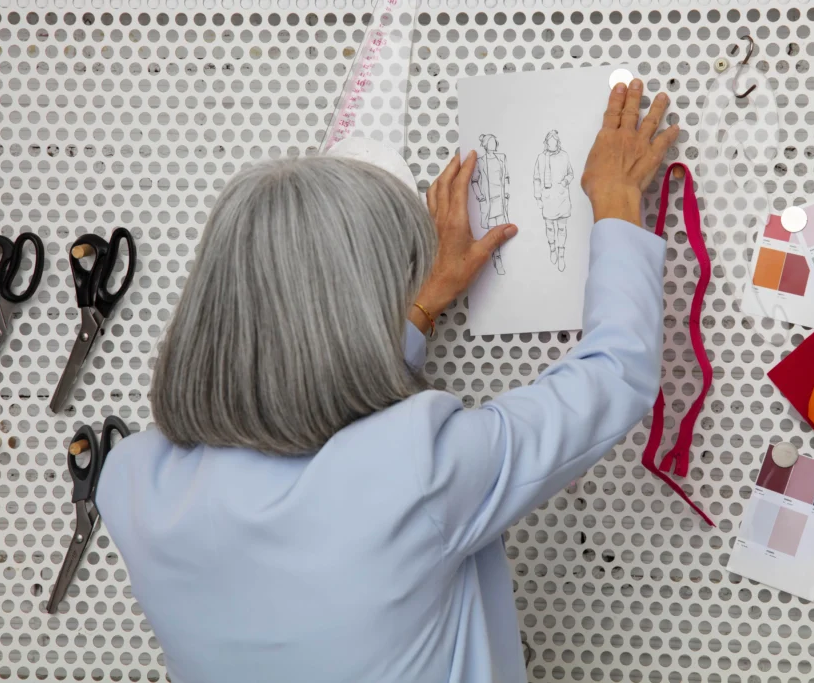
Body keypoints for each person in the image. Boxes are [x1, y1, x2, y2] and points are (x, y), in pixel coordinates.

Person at [95, 78, 679, 683]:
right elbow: (615, 374)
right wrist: (615, 204)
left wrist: (420, 309)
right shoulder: (419, 468)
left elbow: (307, 398)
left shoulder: (135, 483)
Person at [533, 129, 575, 272]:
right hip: (548, 198)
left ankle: (561, 253)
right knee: (550, 227)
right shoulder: (541, 157)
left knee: (562, 227)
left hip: (562, 198)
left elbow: (571, 174)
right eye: (550, 141)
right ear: (546, 143)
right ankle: (552, 248)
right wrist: (538, 197)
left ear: (558, 142)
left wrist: (565, 182)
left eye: (555, 141)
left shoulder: (564, 156)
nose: (552, 144)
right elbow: (536, 178)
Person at [471, 133, 510, 274]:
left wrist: (507, 192)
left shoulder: (502, 158)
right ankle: (497, 259)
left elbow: (506, 177)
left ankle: (500, 258)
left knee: (502, 228)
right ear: (485, 145)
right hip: (489, 202)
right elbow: (474, 181)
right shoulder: (480, 161)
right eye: (490, 142)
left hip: (501, 200)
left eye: (494, 141)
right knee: (494, 231)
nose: (493, 144)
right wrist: (479, 195)